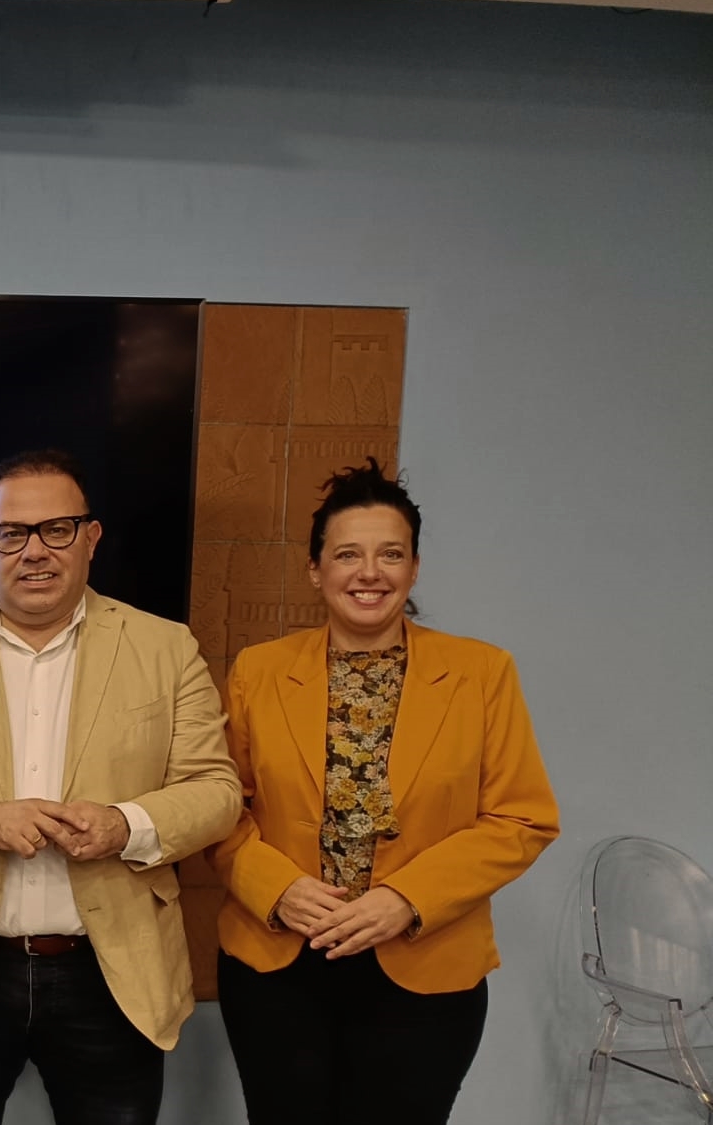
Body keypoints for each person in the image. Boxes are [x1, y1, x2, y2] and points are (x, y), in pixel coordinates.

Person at [0, 449, 240, 1125]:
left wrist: (126, 825)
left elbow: (215, 790)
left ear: (91, 537)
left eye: (57, 529)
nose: (35, 551)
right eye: (13, 533)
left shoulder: (165, 648)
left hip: (111, 973)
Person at [208, 459, 558, 1125]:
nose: (369, 572)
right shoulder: (259, 671)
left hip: (426, 967)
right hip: (279, 962)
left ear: (414, 567)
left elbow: (521, 819)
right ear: (316, 569)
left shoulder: (482, 672)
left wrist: (406, 899)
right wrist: (275, 887)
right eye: (348, 554)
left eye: (391, 554)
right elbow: (221, 809)